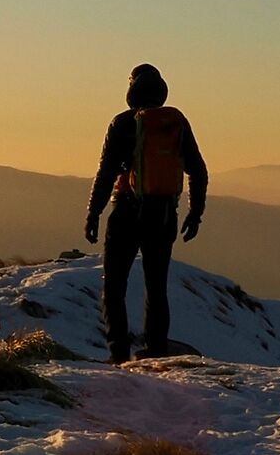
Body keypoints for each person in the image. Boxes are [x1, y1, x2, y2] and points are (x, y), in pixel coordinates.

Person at [84, 63, 208, 363]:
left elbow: (106, 173)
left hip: (126, 211)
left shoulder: (122, 123)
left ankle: (119, 354)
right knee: (156, 286)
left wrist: (93, 213)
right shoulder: (175, 123)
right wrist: (195, 214)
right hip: (164, 214)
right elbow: (199, 172)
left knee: (114, 285)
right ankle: (155, 351)